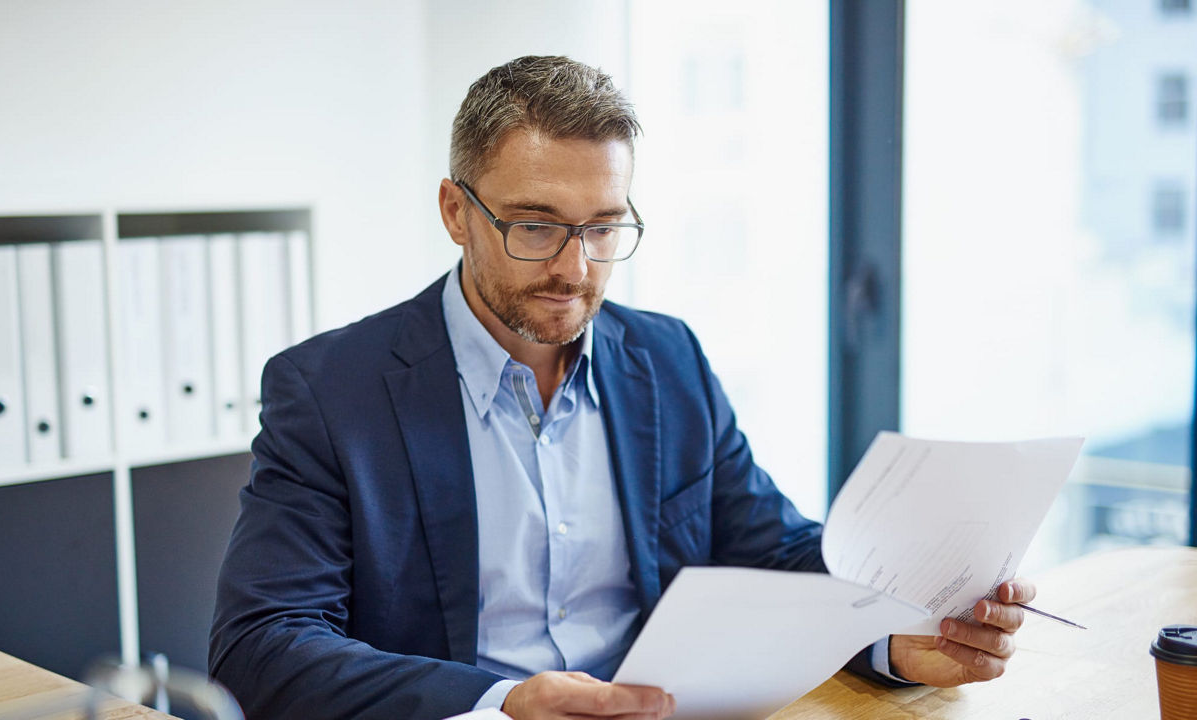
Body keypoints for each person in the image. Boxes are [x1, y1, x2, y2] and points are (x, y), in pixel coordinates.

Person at [209, 55, 1035, 720]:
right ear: (456, 213)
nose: (576, 269)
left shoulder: (667, 359)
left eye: (604, 228)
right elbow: (262, 645)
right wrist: (501, 703)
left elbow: (772, 554)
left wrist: (898, 638)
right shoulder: (329, 391)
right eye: (536, 226)